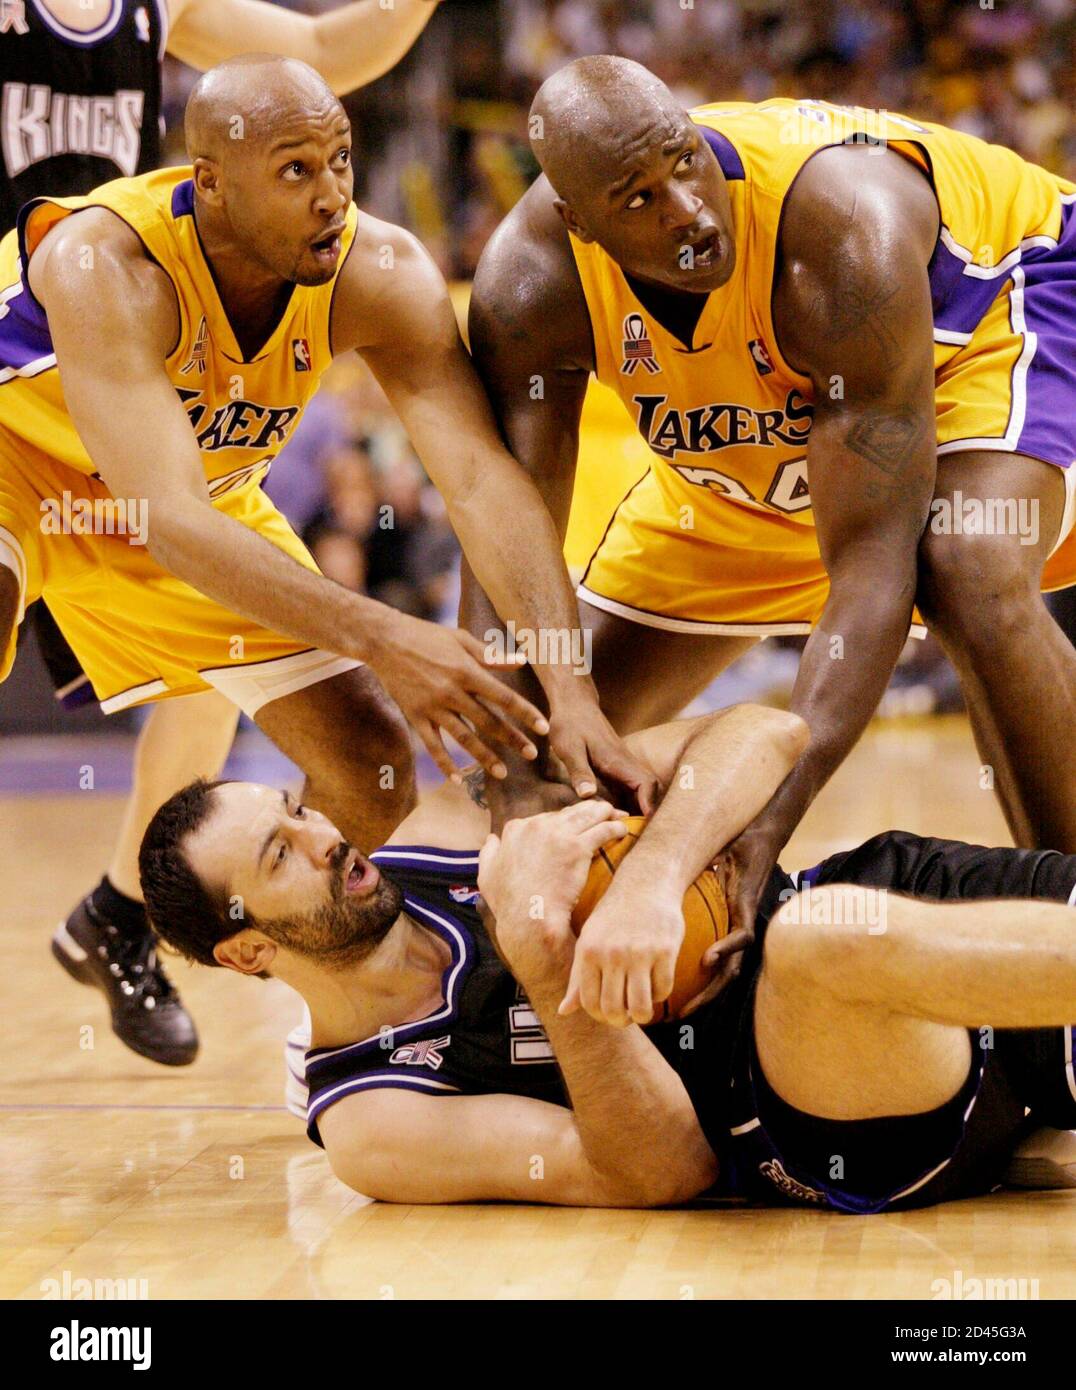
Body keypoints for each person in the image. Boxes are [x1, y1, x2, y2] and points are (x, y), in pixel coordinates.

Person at [0, 55, 654, 1054]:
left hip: (193, 498)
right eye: (296, 169)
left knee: (374, 774)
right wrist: (390, 638)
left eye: (341, 160)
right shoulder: (106, 260)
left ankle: (169, 936)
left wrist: (567, 685)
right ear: (210, 182)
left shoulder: (377, 271)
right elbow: (166, 517)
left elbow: (479, 480)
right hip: (27, 470)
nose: (333, 194)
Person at [463, 55, 1076, 976]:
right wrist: (529, 753)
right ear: (576, 223)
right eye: (637, 201)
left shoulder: (839, 228)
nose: (687, 210)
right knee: (550, 739)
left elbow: (875, 565)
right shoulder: (527, 287)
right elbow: (504, 525)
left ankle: (1068, 919)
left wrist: (769, 821)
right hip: (766, 445)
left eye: (684, 162)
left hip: (992, 312)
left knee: (962, 564)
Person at [2, 0, 448, 1065]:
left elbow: (330, 53)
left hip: (136, 390)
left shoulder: (161, 7)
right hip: (23, 384)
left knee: (303, 725)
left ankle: (123, 914)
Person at [138, 705, 1076, 1211]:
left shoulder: (468, 829)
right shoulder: (373, 1122)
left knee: (849, 910)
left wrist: (651, 877)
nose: (326, 840)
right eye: (279, 857)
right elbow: (661, 1174)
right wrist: (548, 969)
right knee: (819, 940)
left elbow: (765, 734)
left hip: (890, 896)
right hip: (825, 1106)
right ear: (250, 948)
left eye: (297, 814)